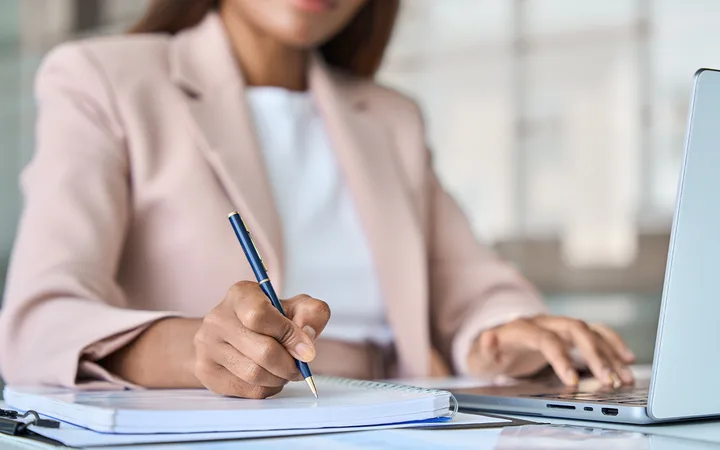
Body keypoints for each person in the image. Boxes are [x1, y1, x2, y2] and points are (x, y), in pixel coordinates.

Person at [0, 0, 635, 399]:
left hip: (391, 420)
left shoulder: (389, 116)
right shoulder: (103, 78)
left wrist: (503, 330)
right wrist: (196, 349)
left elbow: (470, 283)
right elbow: (38, 322)